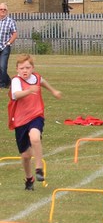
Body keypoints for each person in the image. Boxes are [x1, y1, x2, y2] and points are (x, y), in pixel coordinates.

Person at [7, 54, 61, 190]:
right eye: (21, 68)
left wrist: (53, 91)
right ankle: (29, 178)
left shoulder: (36, 77)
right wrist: (29, 90)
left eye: (27, 67)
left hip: (36, 115)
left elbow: (42, 82)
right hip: (20, 120)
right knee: (25, 156)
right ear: (17, 69)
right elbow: (15, 95)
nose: (25, 70)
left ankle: (39, 168)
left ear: (32, 68)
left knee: (35, 137)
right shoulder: (16, 81)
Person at [0, 3, 18, 89]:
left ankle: (2, 85)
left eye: (4, 9)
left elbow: (15, 34)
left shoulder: (11, 21)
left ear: (7, 11)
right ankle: (8, 82)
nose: (2, 11)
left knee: (3, 66)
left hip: (5, 47)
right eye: (1, 9)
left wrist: (9, 43)